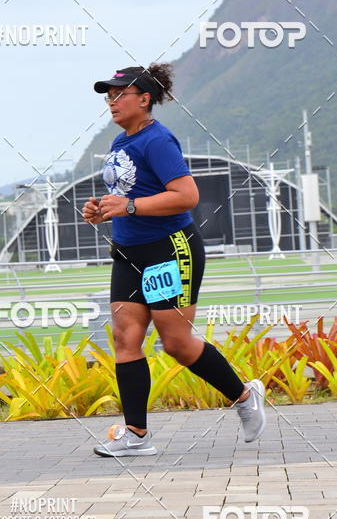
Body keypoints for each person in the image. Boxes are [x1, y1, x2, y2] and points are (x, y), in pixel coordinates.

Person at [82, 63, 265, 457]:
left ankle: (244, 397)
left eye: (119, 94)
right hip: (129, 253)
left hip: (169, 249)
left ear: (144, 99)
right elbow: (130, 196)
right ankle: (137, 435)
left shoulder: (158, 141)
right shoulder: (120, 143)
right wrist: (103, 210)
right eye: (108, 96)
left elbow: (186, 196)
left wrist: (129, 206)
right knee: (125, 338)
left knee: (176, 344)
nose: (111, 102)